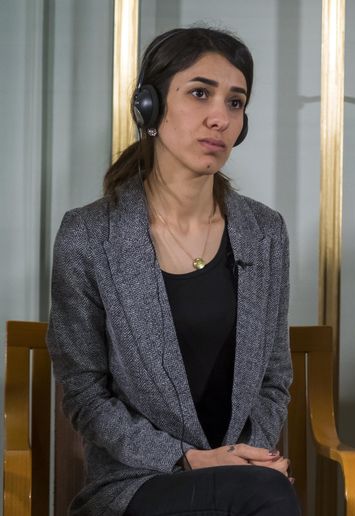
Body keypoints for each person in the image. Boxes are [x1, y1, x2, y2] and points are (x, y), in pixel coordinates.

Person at [47, 28, 300, 516]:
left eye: (235, 102)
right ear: (150, 107)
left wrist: (246, 457)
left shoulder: (265, 232)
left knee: (259, 494)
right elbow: (85, 394)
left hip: (243, 482)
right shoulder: (89, 235)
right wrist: (186, 458)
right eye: (200, 93)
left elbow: (273, 377)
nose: (219, 118)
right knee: (266, 497)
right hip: (137, 486)